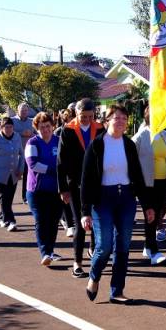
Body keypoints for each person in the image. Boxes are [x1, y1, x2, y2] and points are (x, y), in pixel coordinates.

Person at [80, 105, 154, 304]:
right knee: (104, 246)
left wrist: (147, 205)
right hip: (103, 199)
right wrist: (85, 211)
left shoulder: (129, 145)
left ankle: (117, 291)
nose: (121, 121)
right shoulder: (96, 145)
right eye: (116, 117)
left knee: (123, 246)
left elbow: (138, 176)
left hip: (126, 198)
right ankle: (94, 276)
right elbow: (86, 180)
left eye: (124, 118)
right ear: (106, 121)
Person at [57, 98, 104, 278]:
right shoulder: (68, 131)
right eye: (83, 116)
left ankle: (93, 249)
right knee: (80, 224)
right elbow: (60, 162)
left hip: (96, 184)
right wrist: (63, 189)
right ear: (76, 114)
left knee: (96, 221)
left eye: (90, 116)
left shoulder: (100, 129)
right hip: (75, 185)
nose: (87, 120)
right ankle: (77, 263)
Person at [132, 106, 166, 265]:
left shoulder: (165, 135)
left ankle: (148, 247)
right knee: (150, 215)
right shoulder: (140, 137)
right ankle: (153, 250)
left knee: (156, 215)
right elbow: (132, 160)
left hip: (163, 181)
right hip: (147, 184)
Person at [25, 112, 62, 266]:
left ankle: (50, 250)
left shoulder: (59, 141)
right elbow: (33, 164)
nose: (45, 129)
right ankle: (45, 252)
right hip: (37, 191)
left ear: (52, 126)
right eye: (42, 127)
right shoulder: (32, 143)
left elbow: (66, 161)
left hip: (56, 190)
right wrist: (54, 170)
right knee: (41, 221)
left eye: (48, 126)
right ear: (36, 128)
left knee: (53, 222)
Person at [0, 117, 24, 231]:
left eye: (11, 127)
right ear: (1, 128)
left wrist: (21, 168)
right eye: (6, 127)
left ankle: (1, 217)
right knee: (4, 198)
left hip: (14, 174)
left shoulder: (17, 137)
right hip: (0, 174)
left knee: (9, 198)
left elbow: (21, 154)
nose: (9, 129)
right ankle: (10, 221)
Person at [54, 108, 76, 238]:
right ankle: (69, 224)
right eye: (70, 118)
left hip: (76, 171)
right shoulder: (59, 132)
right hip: (65, 170)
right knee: (66, 199)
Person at [12, 103, 35, 204]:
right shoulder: (12, 121)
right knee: (14, 176)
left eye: (26, 110)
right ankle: (9, 198)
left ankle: (25, 197)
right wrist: (22, 133)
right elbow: (8, 132)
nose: (24, 112)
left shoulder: (32, 121)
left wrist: (31, 134)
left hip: (28, 153)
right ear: (18, 111)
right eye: (22, 110)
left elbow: (38, 134)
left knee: (27, 175)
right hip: (15, 153)